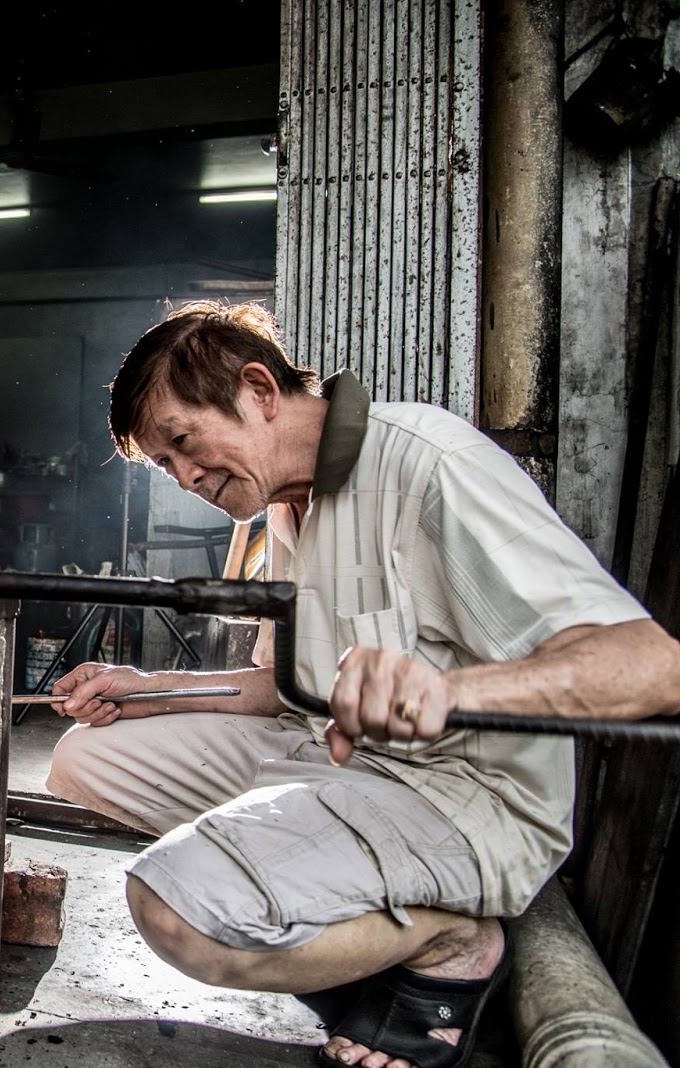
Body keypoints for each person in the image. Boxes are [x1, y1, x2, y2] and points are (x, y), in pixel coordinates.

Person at [44, 300, 680, 1068]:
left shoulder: (425, 460)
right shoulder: (283, 507)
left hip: (457, 795)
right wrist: (148, 684)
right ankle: (346, 919)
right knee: (86, 757)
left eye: (182, 444)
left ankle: (450, 945)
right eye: (165, 466)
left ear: (259, 390)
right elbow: (284, 688)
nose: (183, 478)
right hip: (331, 760)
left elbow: (652, 664)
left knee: (173, 909)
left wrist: (451, 694)